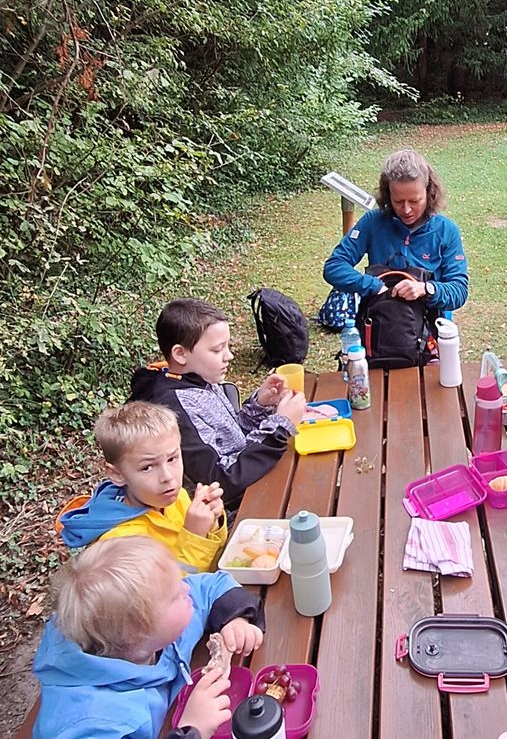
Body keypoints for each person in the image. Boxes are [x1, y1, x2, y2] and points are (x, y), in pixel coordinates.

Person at [33, 536, 265, 739]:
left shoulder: (150, 627)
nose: (186, 589)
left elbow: (210, 585)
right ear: (138, 634)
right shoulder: (93, 721)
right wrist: (191, 730)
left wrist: (235, 618)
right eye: (175, 595)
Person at [128, 298, 306, 511]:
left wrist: (260, 404)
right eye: (217, 349)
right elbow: (219, 480)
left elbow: (230, 438)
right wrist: (280, 425)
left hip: (252, 481)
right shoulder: (174, 408)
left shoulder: (199, 379)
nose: (229, 356)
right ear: (180, 354)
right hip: (229, 512)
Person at [59, 402, 227, 575]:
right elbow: (170, 594)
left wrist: (212, 522)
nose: (167, 476)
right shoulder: (118, 544)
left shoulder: (178, 498)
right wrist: (196, 535)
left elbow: (214, 564)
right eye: (147, 467)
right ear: (117, 474)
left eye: (172, 459)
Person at [322, 149, 469, 314]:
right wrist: (373, 285)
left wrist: (426, 289)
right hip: (378, 324)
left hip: (429, 329)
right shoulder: (373, 222)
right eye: (398, 201)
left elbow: (459, 290)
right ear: (387, 195)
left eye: (414, 201)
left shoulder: (446, 231)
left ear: (429, 193)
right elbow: (334, 267)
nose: (406, 210)